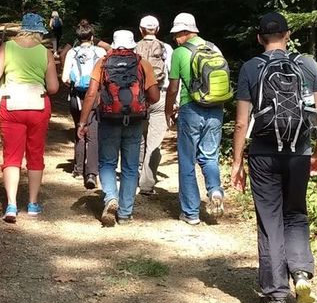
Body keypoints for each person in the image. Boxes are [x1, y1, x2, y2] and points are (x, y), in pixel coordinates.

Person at [229, 11, 317, 303]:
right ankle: (300, 273)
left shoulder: (251, 68)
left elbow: (241, 122)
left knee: (270, 220)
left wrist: (237, 162)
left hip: (263, 154)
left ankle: (276, 297)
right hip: (299, 152)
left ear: (259, 38)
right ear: (287, 35)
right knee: (296, 213)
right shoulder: (307, 65)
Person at [79, 29, 160, 226]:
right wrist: (141, 104)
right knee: (130, 167)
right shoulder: (142, 63)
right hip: (134, 120)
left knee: (107, 163)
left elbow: (91, 94)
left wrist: (83, 122)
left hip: (109, 119)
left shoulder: (103, 62)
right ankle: (125, 213)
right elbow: (155, 96)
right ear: (133, 44)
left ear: (114, 44)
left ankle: (111, 197)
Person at [0, 12, 60, 223]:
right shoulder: (45, 52)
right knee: (35, 154)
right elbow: (53, 87)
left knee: (12, 156)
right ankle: (33, 204)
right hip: (38, 105)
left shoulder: (7, 47)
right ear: (39, 32)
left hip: (11, 105)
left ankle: (11, 205)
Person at [165, 12, 232, 226]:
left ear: (186, 32)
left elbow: (173, 88)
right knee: (210, 156)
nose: (175, 38)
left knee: (187, 160)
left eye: (177, 34)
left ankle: (190, 212)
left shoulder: (179, 53)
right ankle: (215, 190)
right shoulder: (214, 48)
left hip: (191, 108)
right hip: (216, 108)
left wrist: (168, 111)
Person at [61, 20, 105, 190]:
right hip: (95, 97)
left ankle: (78, 168)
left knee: (79, 128)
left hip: (76, 98)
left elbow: (65, 78)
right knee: (93, 133)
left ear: (78, 38)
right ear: (92, 37)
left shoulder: (72, 53)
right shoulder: (100, 52)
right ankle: (92, 172)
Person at [135, 16, 174, 195]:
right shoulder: (166, 48)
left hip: (139, 97)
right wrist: (174, 102)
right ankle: (147, 184)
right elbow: (173, 77)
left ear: (140, 30)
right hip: (160, 95)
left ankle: (135, 175)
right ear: (157, 29)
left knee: (138, 138)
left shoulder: (134, 47)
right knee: (154, 142)